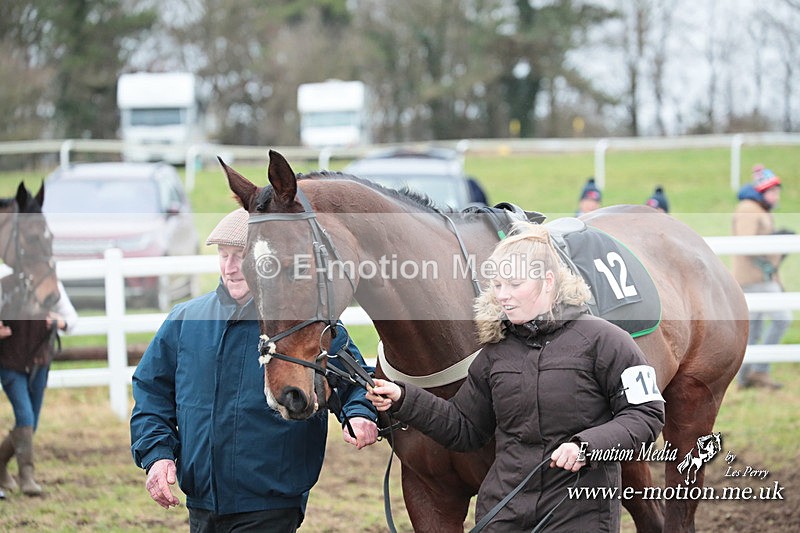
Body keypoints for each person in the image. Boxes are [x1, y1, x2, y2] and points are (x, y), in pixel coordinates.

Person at [366, 222, 665, 531]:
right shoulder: (494, 354)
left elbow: (646, 415)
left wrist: (587, 447)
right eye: (497, 286)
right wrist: (404, 398)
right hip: (504, 511)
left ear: (548, 282)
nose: (503, 296)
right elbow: (464, 426)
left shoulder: (608, 341)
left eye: (514, 285)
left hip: (579, 514)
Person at [130, 208, 379, 532]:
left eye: (240, 256)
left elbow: (354, 381)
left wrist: (358, 413)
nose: (230, 267)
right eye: (224, 255)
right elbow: (151, 392)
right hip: (203, 500)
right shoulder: (185, 320)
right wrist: (157, 455)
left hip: (271, 500)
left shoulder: (303, 321)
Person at [0, 279, 78, 497]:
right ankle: (27, 477)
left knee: (30, 423)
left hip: (39, 363)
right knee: (25, 417)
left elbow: (71, 319)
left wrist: (60, 322)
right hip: (11, 363)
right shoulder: (6, 286)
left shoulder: (52, 286)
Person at [733, 165, 790, 389]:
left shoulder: (758, 208)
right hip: (753, 279)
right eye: (773, 191)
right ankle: (758, 371)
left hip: (761, 278)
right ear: (762, 190)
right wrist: (775, 242)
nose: (776, 196)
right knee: (782, 318)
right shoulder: (749, 209)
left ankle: (746, 376)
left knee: (754, 329)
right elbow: (746, 242)